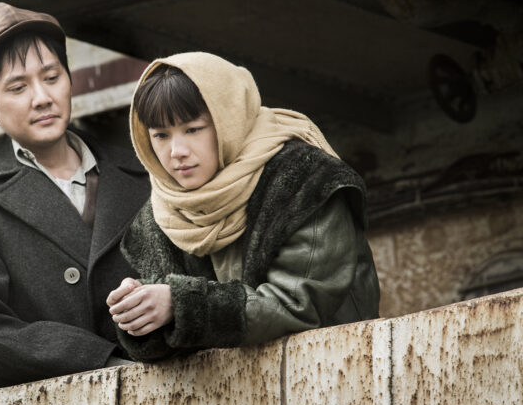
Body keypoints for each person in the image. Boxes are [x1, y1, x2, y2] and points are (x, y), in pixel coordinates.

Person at [106, 52, 380, 362]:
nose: (176, 151)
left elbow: (299, 303)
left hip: (339, 369)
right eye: (160, 135)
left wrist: (180, 304)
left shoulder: (305, 180)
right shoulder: (159, 215)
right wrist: (139, 309)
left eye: (193, 129)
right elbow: (172, 340)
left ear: (228, 119)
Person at [0, 3, 150, 388]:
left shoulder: (141, 173)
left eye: (52, 77)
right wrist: (101, 362)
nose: (42, 97)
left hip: (165, 390)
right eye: (18, 87)